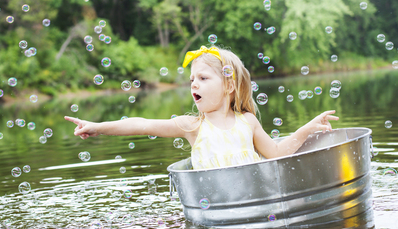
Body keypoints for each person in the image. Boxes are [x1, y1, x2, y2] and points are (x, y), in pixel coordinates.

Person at [65, 46, 338, 170]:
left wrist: (307, 128)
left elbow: (277, 153)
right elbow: (141, 123)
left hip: (257, 201)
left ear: (229, 86)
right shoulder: (193, 126)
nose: (194, 84)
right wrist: (98, 127)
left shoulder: (248, 123)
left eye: (204, 78)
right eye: (192, 79)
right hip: (218, 207)